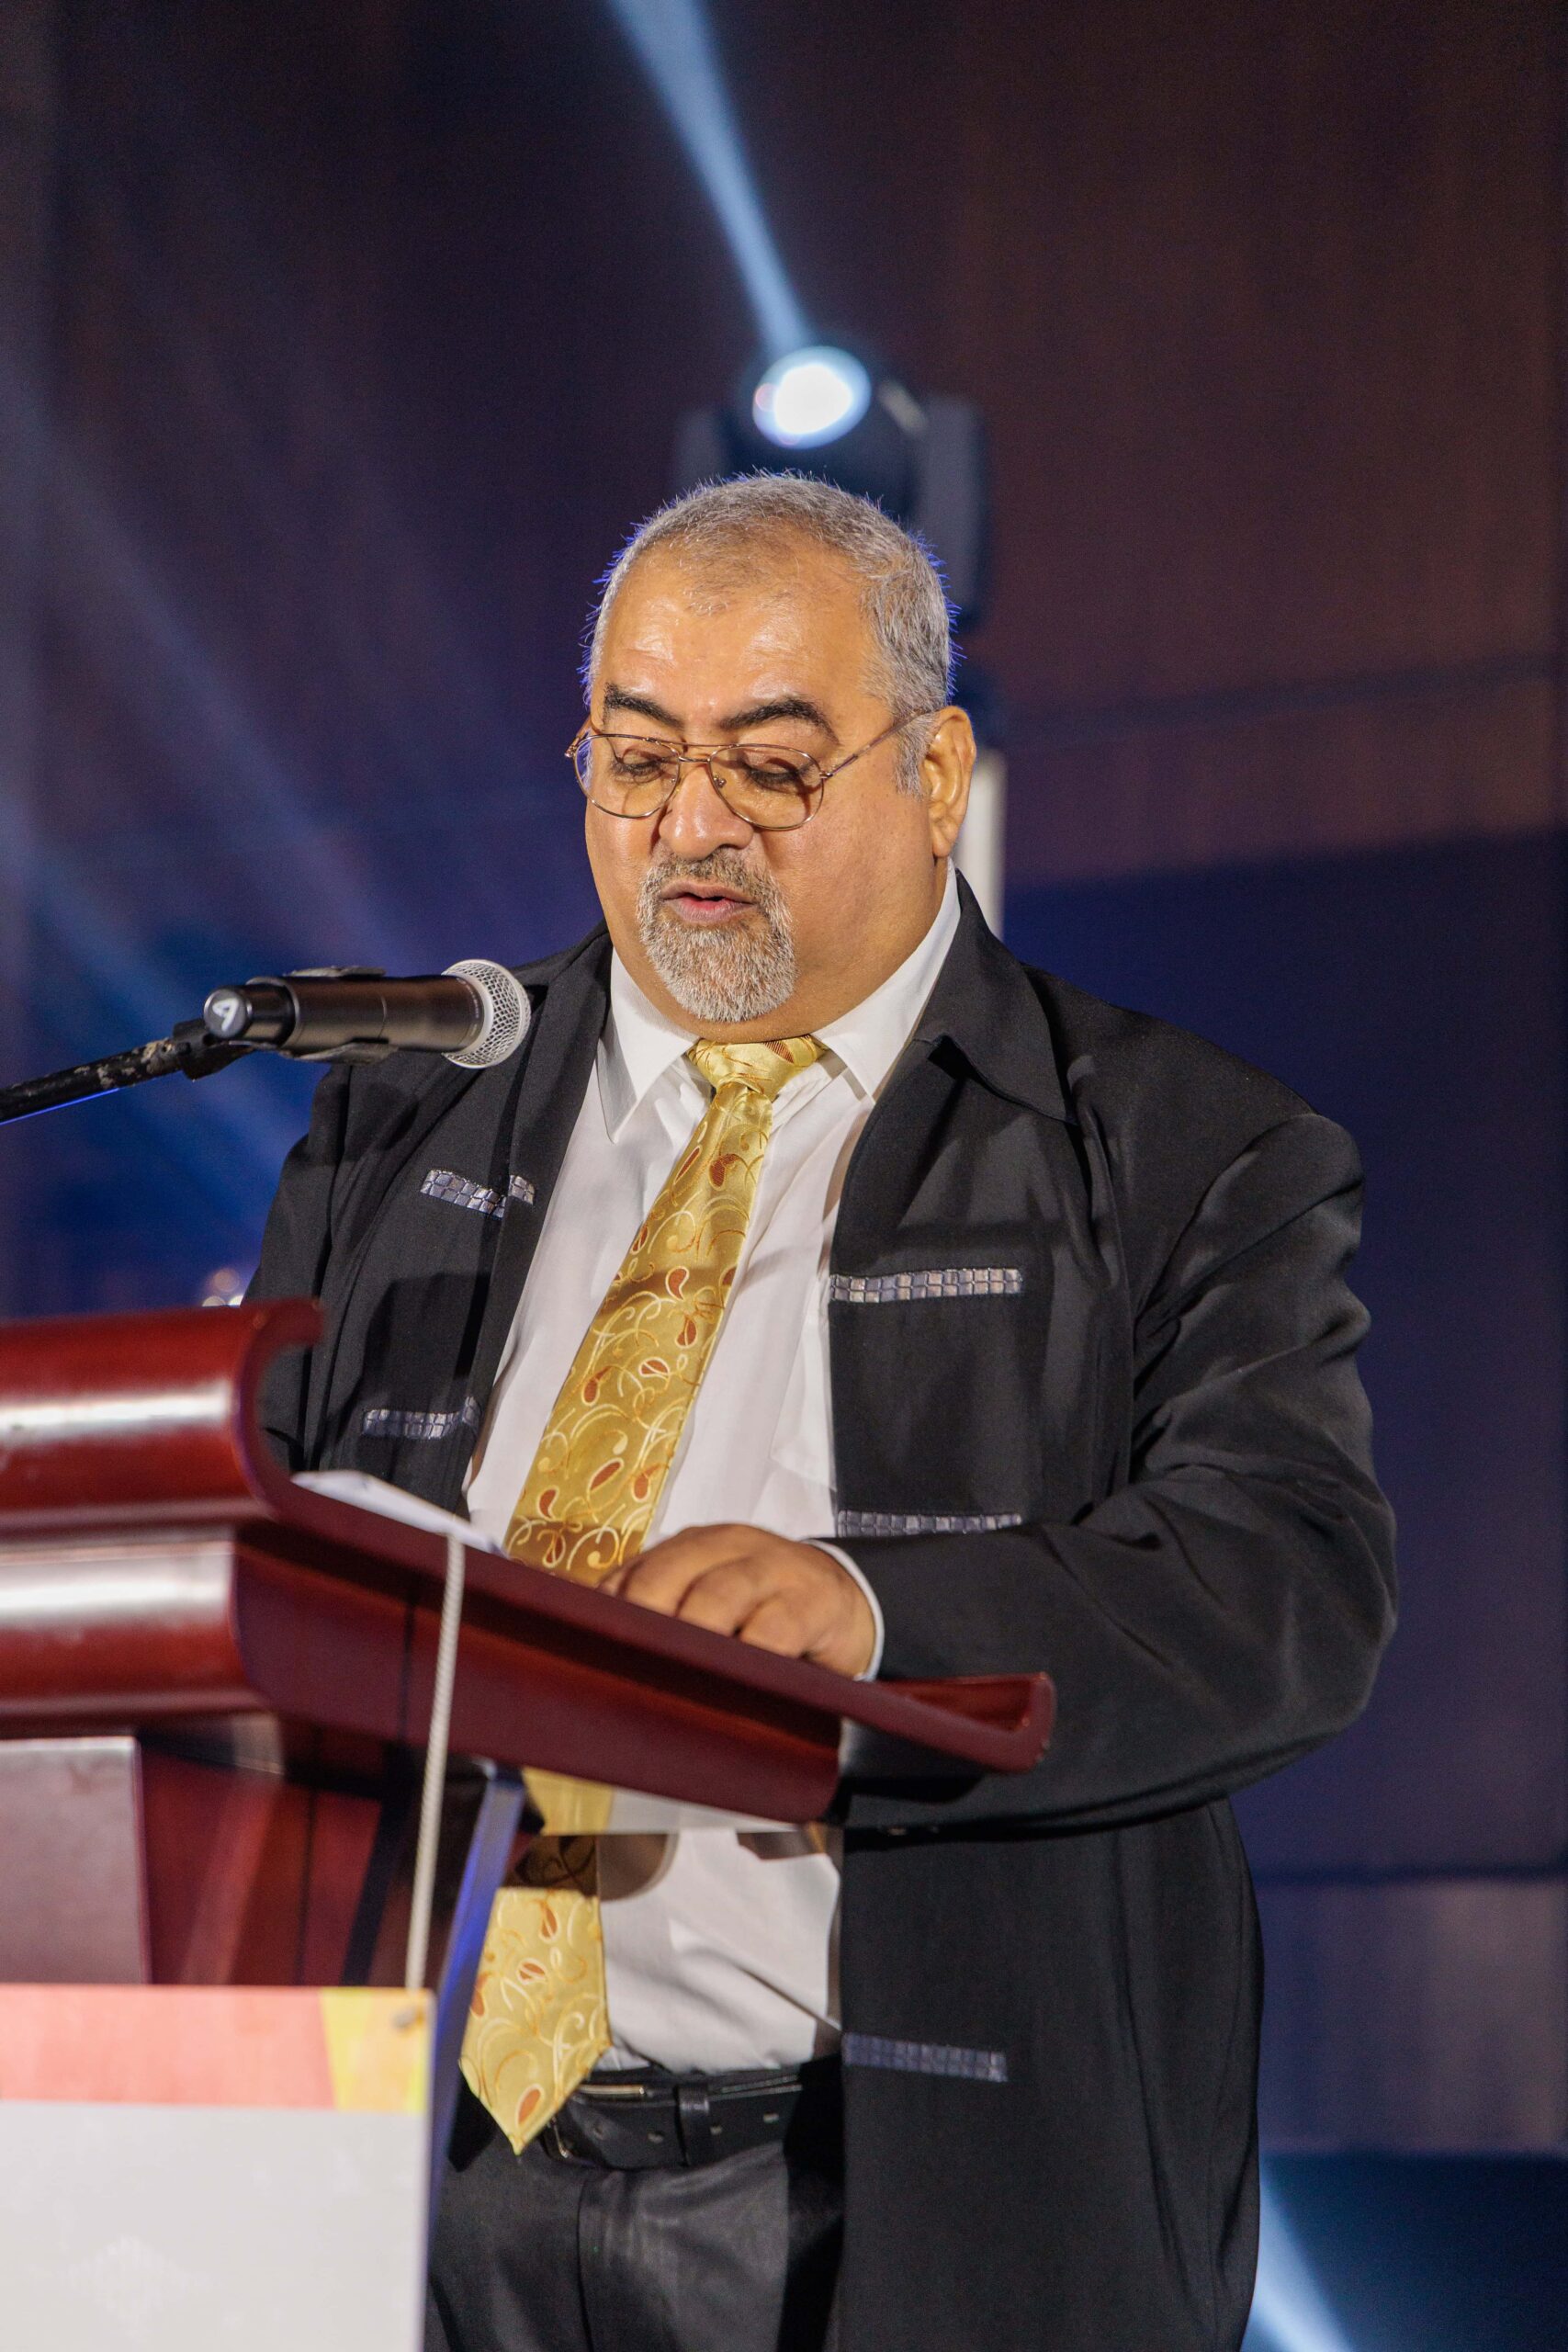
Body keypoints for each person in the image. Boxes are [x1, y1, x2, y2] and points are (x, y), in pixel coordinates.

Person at [253, 473, 1396, 2352]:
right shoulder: (406, 1109)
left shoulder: (1184, 1149)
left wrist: (869, 1620)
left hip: (897, 2199)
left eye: (771, 769)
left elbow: (1287, 1585)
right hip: (414, 2170)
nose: (690, 827)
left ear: (934, 775)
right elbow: (264, 1551)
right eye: (636, 760)